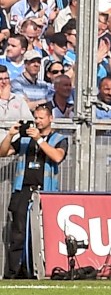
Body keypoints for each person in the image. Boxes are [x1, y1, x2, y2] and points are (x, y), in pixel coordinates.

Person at [4, 103, 64, 278]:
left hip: (45, 192)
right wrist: (10, 135)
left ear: (50, 118)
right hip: (23, 190)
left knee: (42, 233)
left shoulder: (59, 138)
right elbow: (3, 152)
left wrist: (39, 140)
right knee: (18, 233)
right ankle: (13, 273)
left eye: (41, 118)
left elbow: (57, 156)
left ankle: (41, 270)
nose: (37, 121)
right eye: (35, 118)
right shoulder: (24, 139)